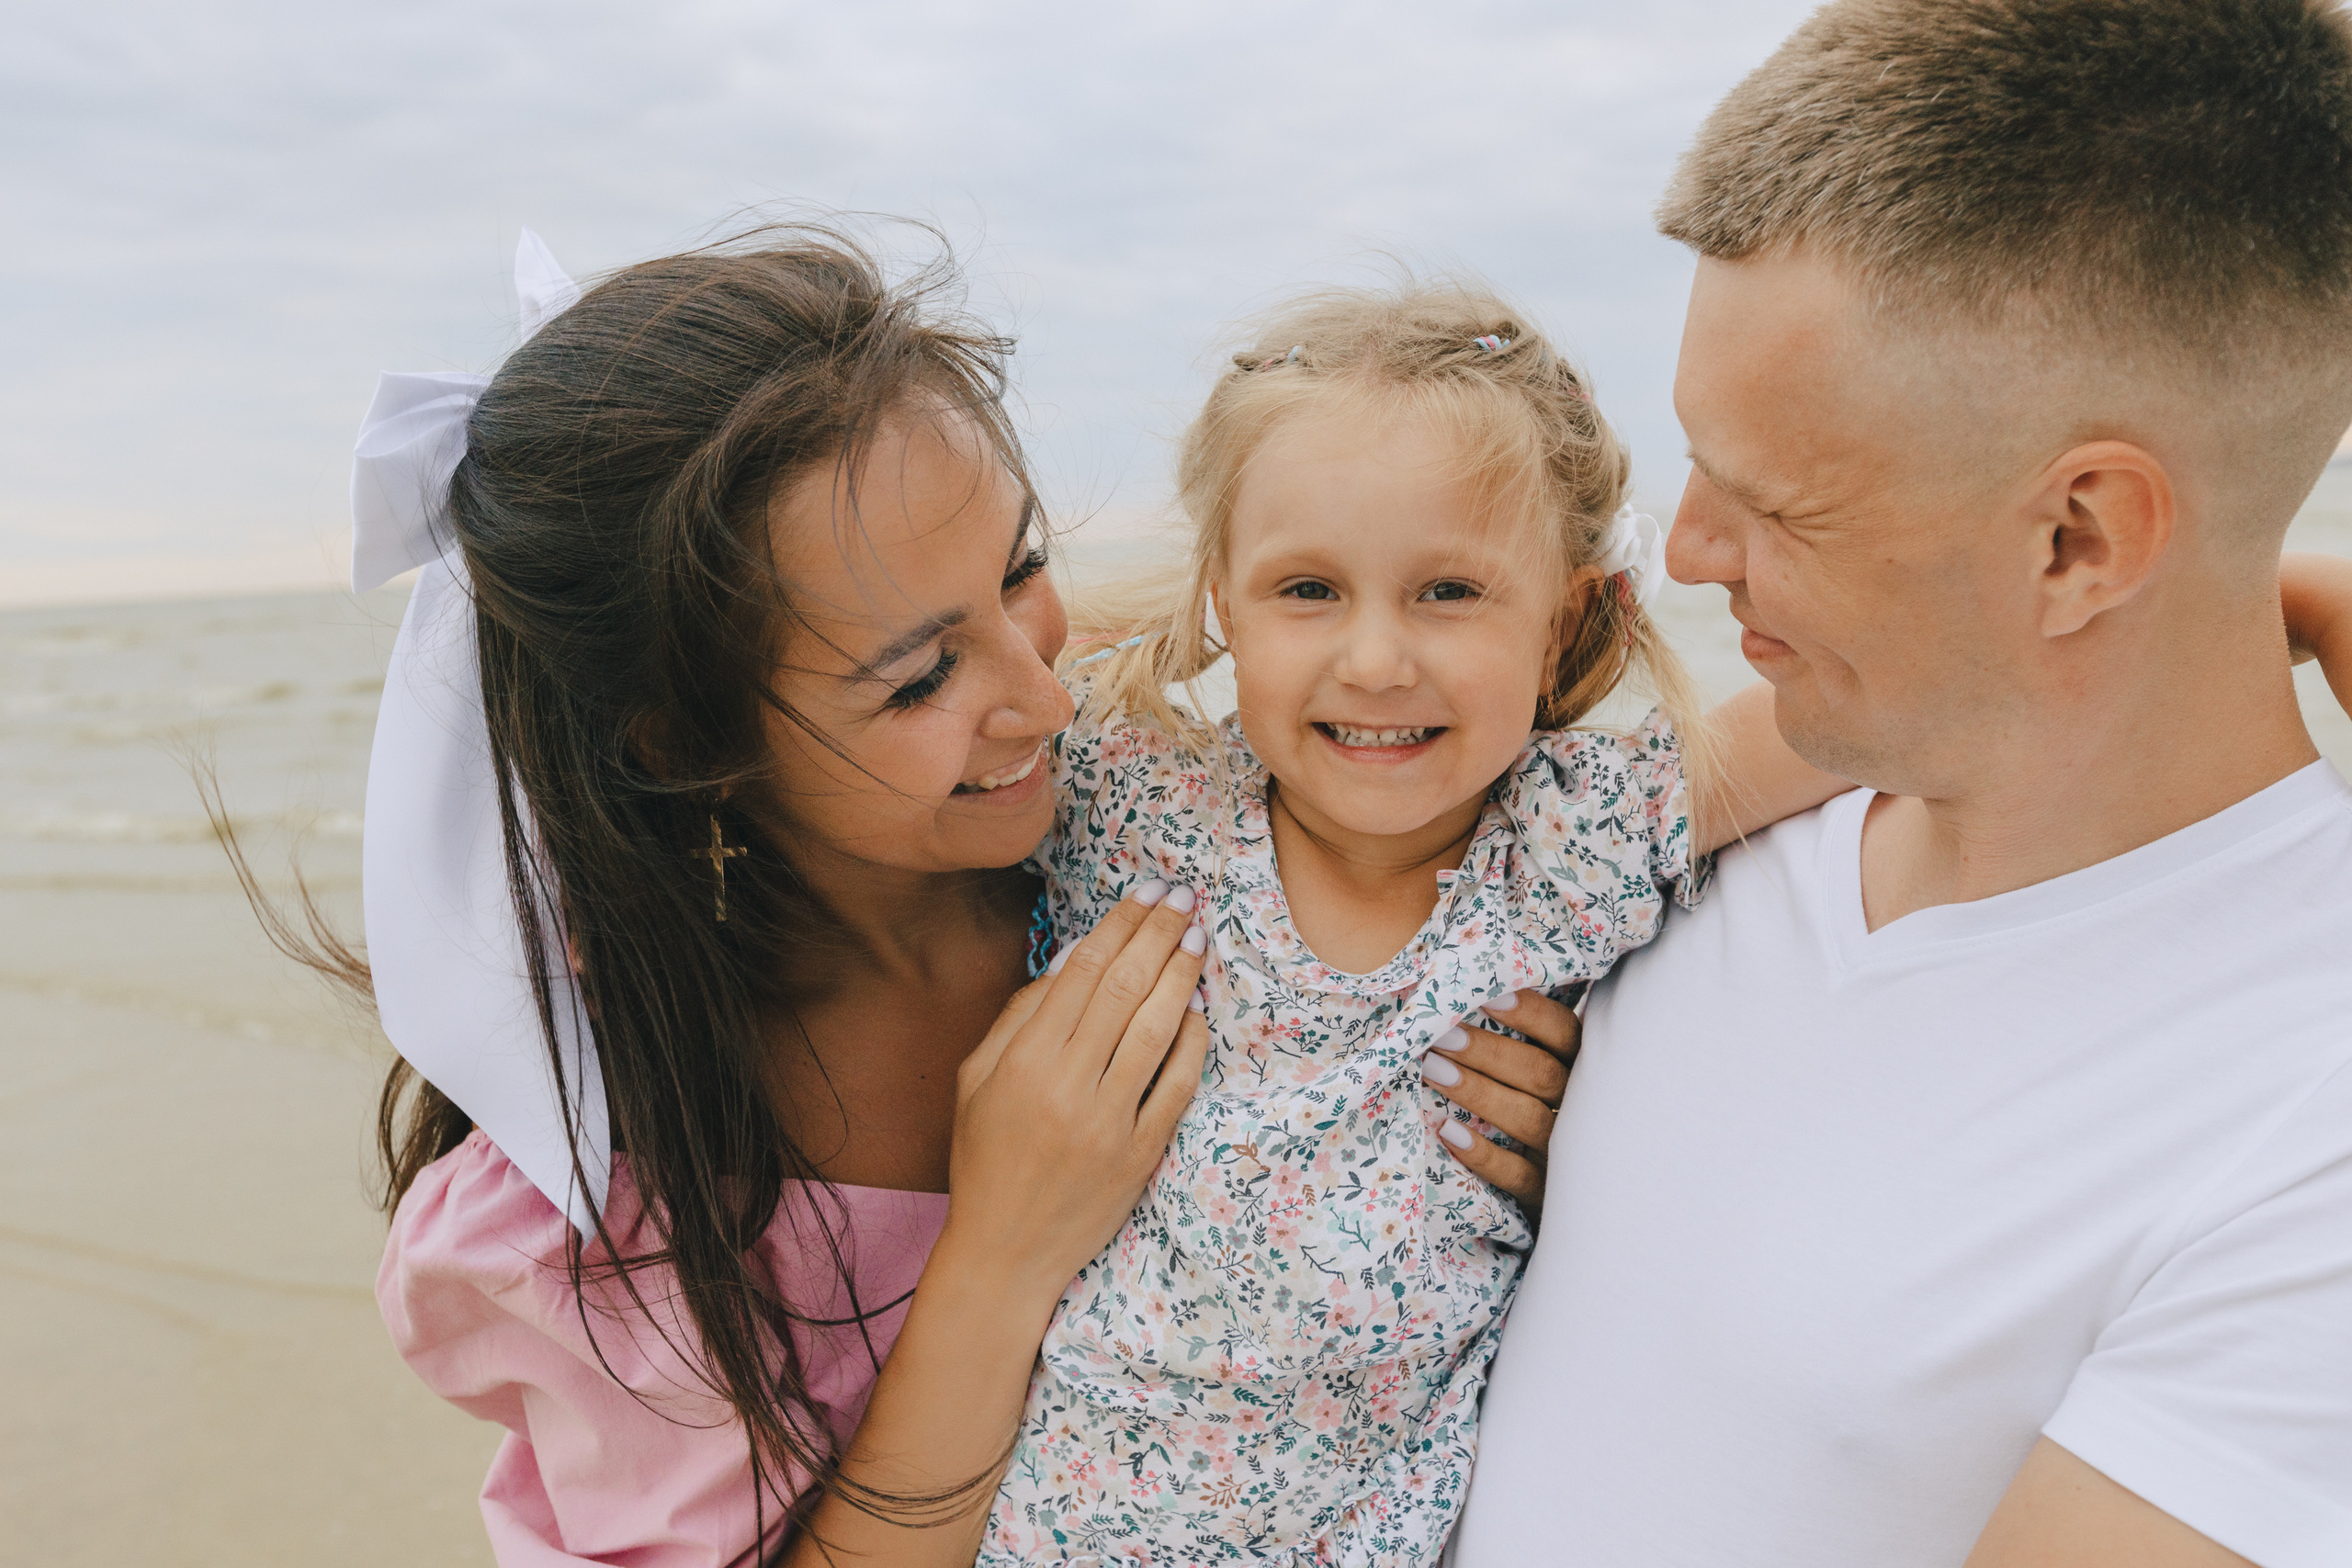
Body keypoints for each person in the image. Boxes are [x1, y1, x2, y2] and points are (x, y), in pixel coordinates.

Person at [286, 225, 1581, 1568]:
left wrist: (1489, 1115)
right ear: (682, 742)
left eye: (1021, 571)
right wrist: (1001, 1257)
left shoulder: (1159, 835)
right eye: (917, 681)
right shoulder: (625, 1210)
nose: (1043, 695)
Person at [1452, 4, 2352, 1566]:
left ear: (2078, 539)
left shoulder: (2304, 1113)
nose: (1686, 556)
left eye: (1773, 501)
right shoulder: (1710, 832)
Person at [978, 283, 1850, 1567]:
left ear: (1564, 611)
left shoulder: (1565, 846)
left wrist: (2240, 589)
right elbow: (924, 656)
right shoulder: (1137, 794)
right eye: (1308, 590)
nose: (1377, 661)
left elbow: (1898, 678)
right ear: (1223, 598)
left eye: (1449, 591)